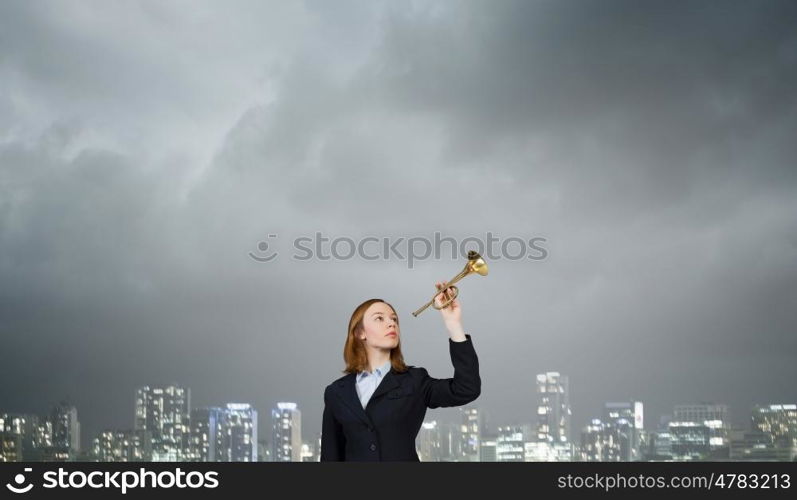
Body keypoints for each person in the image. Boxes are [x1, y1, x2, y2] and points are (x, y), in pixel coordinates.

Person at [320, 282, 481, 461]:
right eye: (380, 318)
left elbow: (467, 389)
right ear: (360, 333)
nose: (391, 324)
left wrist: (454, 325)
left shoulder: (415, 381)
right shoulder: (336, 392)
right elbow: (330, 455)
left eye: (394, 319)